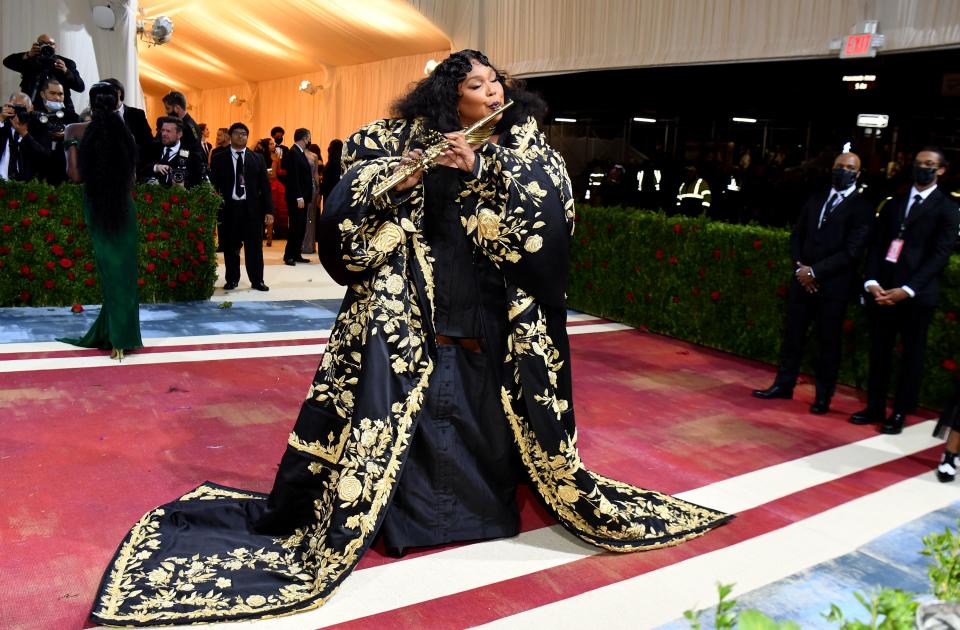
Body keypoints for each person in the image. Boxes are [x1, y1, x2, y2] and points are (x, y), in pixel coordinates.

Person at [87, 50, 729, 626]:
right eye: (479, 86)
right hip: (409, 311)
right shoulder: (393, 139)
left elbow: (548, 225)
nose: (494, 93)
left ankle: (478, 513)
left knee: (479, 408)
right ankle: (397, 519)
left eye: (496, 83)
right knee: (396, 416)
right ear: (451, 95)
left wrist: (481, 171)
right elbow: (346, 214)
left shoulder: (529, 149)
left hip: (487, 312)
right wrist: (406, 177)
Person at [850, 148, 960, 434]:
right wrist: (871, 281)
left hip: (916, 297)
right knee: (879, 352)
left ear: (941, 170)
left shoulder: (947, 208)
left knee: (910, 356)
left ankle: (899, 412)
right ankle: (874, 406)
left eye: (930, 165)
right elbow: (876, 245)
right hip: (882, 291)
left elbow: (940, 255)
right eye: (919, 163)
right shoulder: (893, 203)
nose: (923, 168)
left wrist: (908, 289)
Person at [753, 152, 873, 413]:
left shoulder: (862, 208)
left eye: (850, 168)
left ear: (858, 174)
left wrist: (815, 272)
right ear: (831, 168)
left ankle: (823, 397)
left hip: (834, 287)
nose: (844, 171)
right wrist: (800, 269)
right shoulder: (815, 199)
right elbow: (797, 236)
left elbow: (852, 252)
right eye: (839, 166)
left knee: (828, 343)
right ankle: (783, 385)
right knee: (792, 337)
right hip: (802, 281)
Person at [57, 82, 141, 361]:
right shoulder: (125, 133)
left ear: (91, 104)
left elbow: (75, 175)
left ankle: (117, 336)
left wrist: (73, 148)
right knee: (125, 274)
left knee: (110, 273)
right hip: (122, 207)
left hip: (97, 205)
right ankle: (120, 335)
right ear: (117, 103)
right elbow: (132, 179)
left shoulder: (74, 130)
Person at [208, 122, 272, 292]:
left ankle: (257, 280)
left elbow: (265, 187)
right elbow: (213, 186)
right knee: (230, 247)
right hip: (229, 209)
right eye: (237, 133)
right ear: (230, 136)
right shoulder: (219, 158)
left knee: (254, 248)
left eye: (244, 134)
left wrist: (269, 211)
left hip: (251, 210)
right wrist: (213, 208)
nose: (240, 136)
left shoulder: (257, 158)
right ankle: (232, 279)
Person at [3, 34, 84, 111]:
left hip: (62, 109)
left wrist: (66, 71)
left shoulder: (66, 63)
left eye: (51, 44)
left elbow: (80, 87)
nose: (47, 46)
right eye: (43, 44)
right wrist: (28, 54)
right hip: (34, 108)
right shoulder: (31, 61)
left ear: (55, 46)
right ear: (37, 46)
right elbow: (7, 62)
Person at [33, 77, 78, 184]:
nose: (57, 98)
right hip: (40, 173)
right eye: (52, 93)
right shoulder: (34, 117)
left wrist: (67, 134)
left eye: (60, 94)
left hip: (66, 173)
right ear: (43, 94)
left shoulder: (72, 116)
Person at [139, 116, 205, 188]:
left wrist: (183, 188)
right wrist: (155, 167)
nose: (163, 134)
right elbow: (139, 169)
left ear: (179, 134)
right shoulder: (152, 148)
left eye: (168, 131)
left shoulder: (192, 155)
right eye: (163, 130)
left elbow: (197, 184)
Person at [280, 127, 313, 265]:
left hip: (303, 196)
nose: (310, 140)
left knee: (301, 226)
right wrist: (299, 196)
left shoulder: (299, 152)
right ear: (304, 138)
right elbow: (293, 177)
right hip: (297, 197)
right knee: (295, 226)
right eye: (309, 137)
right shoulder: (293, 152)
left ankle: (296, 253)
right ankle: (289, 255)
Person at [0, 92, 50, 181]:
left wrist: (24, 133)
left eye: (23, 108)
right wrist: (0, 120)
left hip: (25, 185)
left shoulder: (39, 127)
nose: (19, 111)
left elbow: (44, 156)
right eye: (16, 107)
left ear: (31, 108)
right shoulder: (3, 123)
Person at [102, 77, 153, 160]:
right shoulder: (100, 115)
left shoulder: (137, 115)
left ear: (119, 93)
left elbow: (148, 143)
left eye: (108, 94)